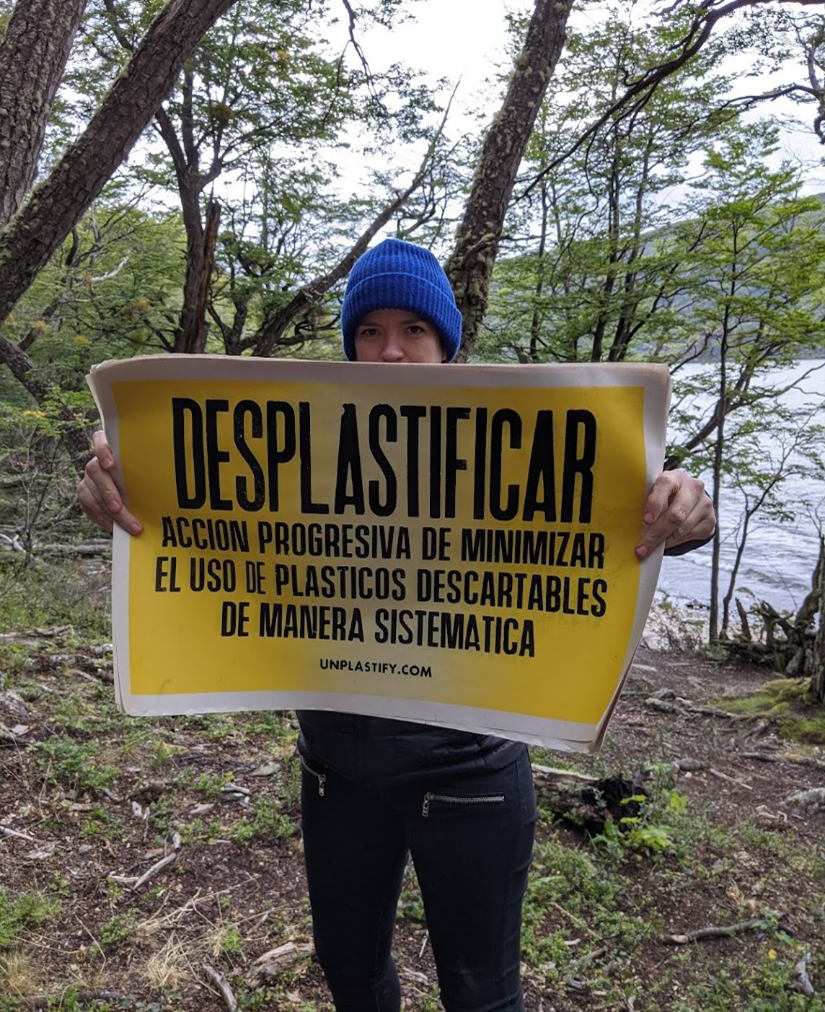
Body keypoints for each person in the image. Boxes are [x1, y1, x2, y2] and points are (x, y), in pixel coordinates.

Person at [78, 239, 715, 1012]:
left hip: (469, 775)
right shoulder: (303, 443)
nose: (390, 351)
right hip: (333, 770)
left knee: (480, 995)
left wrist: (688, 507)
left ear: (446, 345)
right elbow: (195, 480)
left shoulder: (509, 440)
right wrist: (132, 462)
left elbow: (626, 515)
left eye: (414, 330)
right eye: (369, 330)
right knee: (349, 973)